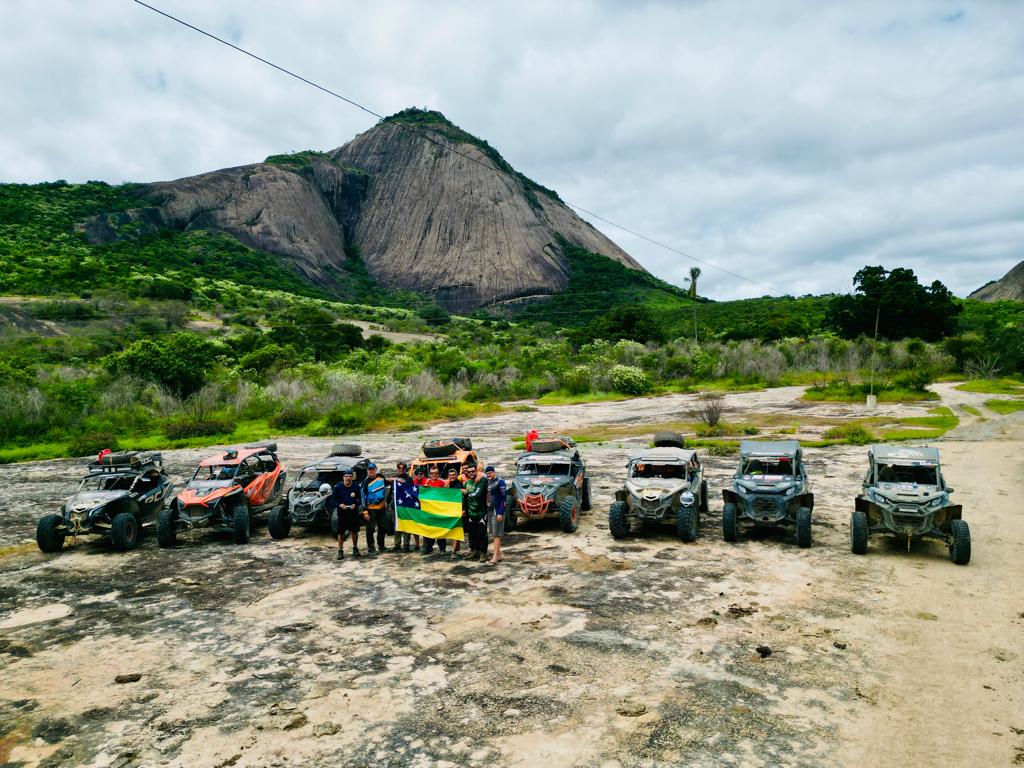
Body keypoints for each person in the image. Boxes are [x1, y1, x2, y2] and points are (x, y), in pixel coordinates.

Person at [332, 469, 362, 559]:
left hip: (353, 512)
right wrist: (339, 505)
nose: (348, 478)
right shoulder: (338, 487)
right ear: (343, 477)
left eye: (350, 476)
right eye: (346, 476)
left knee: (354, 531)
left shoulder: (356, 487)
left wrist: (355, 504)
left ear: (352, 477)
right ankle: (340, 550)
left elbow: (360, 499)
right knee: (340, 532)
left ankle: (355, 548)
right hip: (342, 512)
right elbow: (333, 501)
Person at [418, 464, 447, 556]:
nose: (434, 475)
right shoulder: (425, 483)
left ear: (438, 474)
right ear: (429, 474)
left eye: (436, 473)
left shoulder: (442, 483)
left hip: (439, 510)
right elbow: (420, 496)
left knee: (440, 530)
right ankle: (428, 547)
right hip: (429, 511)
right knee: (428, 530)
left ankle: (442, 548)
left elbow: (446, 496)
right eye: (432, 473)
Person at [361, 464, 388, 555]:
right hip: (370, 509)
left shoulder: (381, 477)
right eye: (369, 470)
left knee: (383, 527)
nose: (371, 471)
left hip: (381, 508)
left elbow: (386, 485)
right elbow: (362, 498)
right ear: (367, 471)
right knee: (370, 529)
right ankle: (371, 547)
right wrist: (365, 512)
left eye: (373, 469)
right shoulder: (365, 482)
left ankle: (381, 546)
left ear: (376, 470)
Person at [463, 464, 488, 561]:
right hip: (470, 513)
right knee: (471, 533)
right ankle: (474, 550)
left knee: (482, 533)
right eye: (469, 472)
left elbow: (477, 494)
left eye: (473, 471)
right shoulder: (466, 483)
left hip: (481, 512)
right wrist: (464, 509)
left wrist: (466, 492)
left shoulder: (482, 481)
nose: (471, 473)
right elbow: (464, 498)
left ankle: (483, 553)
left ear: (476, 471)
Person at [390, 461, 416, 553]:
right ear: (397, 468)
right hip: (395, 505)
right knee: (396, 525)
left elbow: (412, 490)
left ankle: (406, 545)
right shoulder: (393, 478)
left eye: (403, 468)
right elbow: (390, 491)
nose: (401, 470)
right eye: (399, 468)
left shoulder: (408, 478)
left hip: (405, 505)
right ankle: (397, 545)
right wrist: (387, 501)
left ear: (405, 469)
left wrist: (403, 482)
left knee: (406, 524)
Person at [485, 465, 506, 566]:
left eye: (490, 473)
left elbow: (503, 498)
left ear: (494, 472)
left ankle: (495, 557)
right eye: (487, 473)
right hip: (489, 510)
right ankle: (498, 555)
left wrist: (500, 512)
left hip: (497, 511)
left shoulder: (500, 482)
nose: (489, 475)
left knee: (496, 534)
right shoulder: (487, 482)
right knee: (493, 533)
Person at [446, 467, 464, 560]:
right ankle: (456, 548)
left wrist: (463, 509)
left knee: (456, 530)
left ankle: (453, 552)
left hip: (458, 510)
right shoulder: (447, 484)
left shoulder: (460, 485)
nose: (452, 476)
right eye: (450, 475)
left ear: (457, 475)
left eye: (454, 475)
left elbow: (463, 498)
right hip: (448, 510)